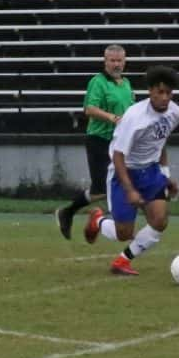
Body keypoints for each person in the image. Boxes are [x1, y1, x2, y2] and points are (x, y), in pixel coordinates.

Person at [83, 66, 179, 276]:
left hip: (151, 171)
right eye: (160, 92)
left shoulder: (175, 113)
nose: (165, 98)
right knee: (123, 233)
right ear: (150, 91)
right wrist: (129, 189)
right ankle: (98, 220)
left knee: (159, 220)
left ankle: (122, 261)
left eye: (169, 93)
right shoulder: (134, 117)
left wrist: (165, 176)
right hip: (123, 172)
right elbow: (118, 156)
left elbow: (160, 141)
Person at [55, 45, 134, 239]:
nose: (116, 64)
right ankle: (89, 217)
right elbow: (89, 109)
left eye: (119, 61)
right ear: (105, 62)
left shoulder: (126, 83)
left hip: (119, 143)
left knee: (115, 185)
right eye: (112, 61)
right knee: (102, 188)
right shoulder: (97, 82)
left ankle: (102, 220)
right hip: (99, 140)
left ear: (125, 62)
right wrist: (113, 118)